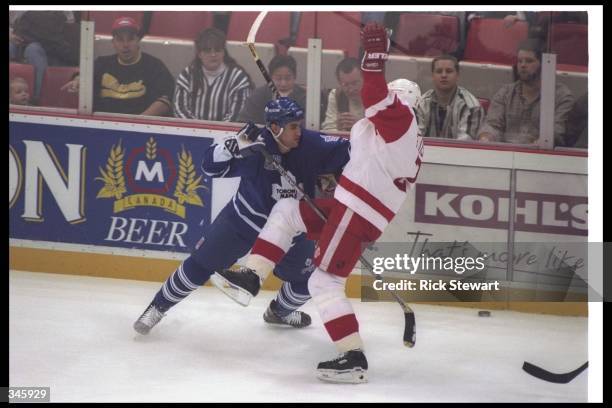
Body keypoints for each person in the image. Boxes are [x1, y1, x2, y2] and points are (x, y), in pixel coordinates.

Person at [211, 22, 424, 384]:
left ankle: (353, 356)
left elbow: (373, 93)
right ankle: (251, 276)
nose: (387, 98)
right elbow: (356, 157)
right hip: (349, 207)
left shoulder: (401, 121)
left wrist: (374, 56)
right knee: (289, 210)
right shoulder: (393, 131)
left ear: (401, 100)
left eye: (392, 95)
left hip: (355, 213)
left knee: (324, 283)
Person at [133, 97, 351, 335]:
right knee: (199, 265)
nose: (299, 131)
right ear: (275, 128)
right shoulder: (254, 147)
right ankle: (157, 307)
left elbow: (350, 150)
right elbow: (208, 167)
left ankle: (279, 312)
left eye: (299, 125)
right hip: (244, 221)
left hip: (292, 230)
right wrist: (228, 147)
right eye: (293, 127)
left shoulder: (311, 144)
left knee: (309, 280)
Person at [61, 16, 174, 116]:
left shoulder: (155, 66)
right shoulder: (101, 63)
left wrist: (137, 123)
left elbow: (164, 101)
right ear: (113, 42)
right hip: (103, 127)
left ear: (138, 41)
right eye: (120, 40)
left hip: (140, 128)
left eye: (130, 39)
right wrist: (78, 80)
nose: (125, 45)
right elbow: (82, 76)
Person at [478, 39, 575, 145]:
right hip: (506, 154)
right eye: (520, 61)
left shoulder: (561, 96)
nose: (523, 65)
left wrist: (538, 145)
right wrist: (486, 137)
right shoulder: (505, 93)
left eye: (529, 61)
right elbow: (492, 124)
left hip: (541, 156)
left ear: (543, 64)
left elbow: (557, 131)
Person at [174, 27, 253, 122]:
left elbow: (238, 113)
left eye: (217, 50)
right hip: (192, 132)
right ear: (199, 54)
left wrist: (215, 131)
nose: (213, 54)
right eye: (208, 51)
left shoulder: (238, 77)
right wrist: (197, 129)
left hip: (225, 133)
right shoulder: (187, 75)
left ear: (224, 52)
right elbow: (179, 109)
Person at [9, 11, 80, 101]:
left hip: (50, 47)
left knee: (33, 50)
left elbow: (69, 25)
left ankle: (36, 99)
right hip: (19, 41)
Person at [415, 54, 484, 140]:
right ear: (432, 76)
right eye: (439, 71)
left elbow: (464, 145)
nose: (444, 75)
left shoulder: (472, 107)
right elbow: (415, 139)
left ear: (457, 75)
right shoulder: (421, 104)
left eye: (449, 71)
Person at [238, 55, 305, 125]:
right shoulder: (258, 96)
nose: (283, 83)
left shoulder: (303, 97)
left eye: (288, 78)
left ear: (295, 77)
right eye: (278, 78)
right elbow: (244, 122)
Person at [321, 57, 364, 132]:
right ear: (339, 83)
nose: (351, 89)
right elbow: (328, 129)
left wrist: (360, 126)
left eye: (355, 83)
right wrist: (338, 129)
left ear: (364, 78)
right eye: (345, 84)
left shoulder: (379, 96)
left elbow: (384, 130)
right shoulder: (336, 95)